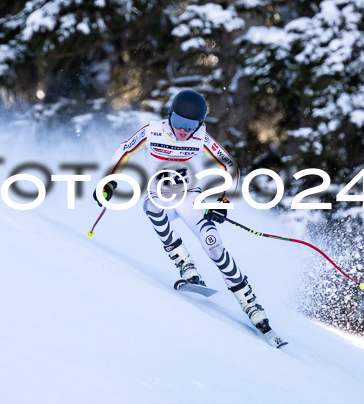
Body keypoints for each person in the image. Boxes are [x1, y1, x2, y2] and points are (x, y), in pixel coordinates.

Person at [93, 89, 272, 333]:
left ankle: (250, 304)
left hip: (189, 197)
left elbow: (229, 165)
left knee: (213, 243)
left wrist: (222, 201)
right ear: (170, 115)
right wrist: (108, 181)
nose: (183, 131)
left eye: (191, 126)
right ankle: (186, 266)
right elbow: (124, 149)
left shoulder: (201, 137)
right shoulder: (152, 131)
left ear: (199, 125)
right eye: (178, 122)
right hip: (160, 195)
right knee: (151, 206)